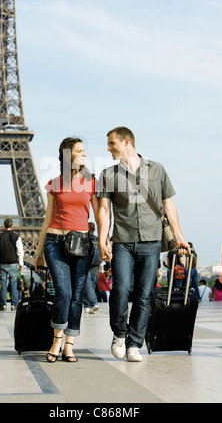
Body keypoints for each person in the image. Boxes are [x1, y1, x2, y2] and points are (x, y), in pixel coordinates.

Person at [97, 126, 190, 362]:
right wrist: (102, 238)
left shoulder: (157, 169)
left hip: (151, 241)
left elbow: (168, 205)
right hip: (123, 241)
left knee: (144, 295)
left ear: (126, 141)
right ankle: (119, 333)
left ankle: (134, 344)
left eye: (111, 143)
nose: (108, 148)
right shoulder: (108, 174)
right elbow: (104, 210)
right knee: (119, 289)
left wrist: (179, 236)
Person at [34, 137, 99, 363]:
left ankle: (69, 345)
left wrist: (106, 241)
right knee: (64, 292)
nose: (84, 154)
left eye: (84, 150)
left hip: (82, 243)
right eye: (80, 151)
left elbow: (99, 215)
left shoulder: (92, 181)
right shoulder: (54, 183)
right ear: (67, 155)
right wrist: (38, 250)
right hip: (54, 241)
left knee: (77, 297)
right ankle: (57, 340)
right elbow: (47, 218)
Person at [0, 218, 24, 311]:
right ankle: (14, 305)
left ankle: (3, 305)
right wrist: (21, 263)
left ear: (4, 226)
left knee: (3, 284)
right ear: (12, 226)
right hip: (14, 264)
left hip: (3, 263)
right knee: (13, 284)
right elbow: (20, 252)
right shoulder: (16, 237)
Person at [84, 222, 101, 314]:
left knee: (89, 285)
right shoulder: (97, 239)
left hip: (87, 263)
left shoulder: (86, 239)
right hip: (96, 263)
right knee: (91, 285)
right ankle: (93, 303)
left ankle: (87, 305)